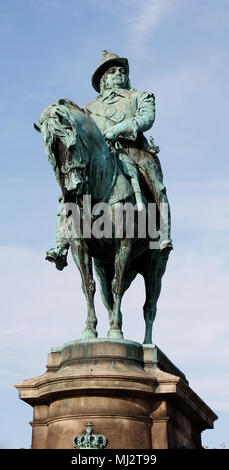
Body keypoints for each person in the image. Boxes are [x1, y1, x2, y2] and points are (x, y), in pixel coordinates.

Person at [84, 50, 173, 251]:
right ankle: (63, 242)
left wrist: (117, 129)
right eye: (113, 71)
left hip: (134, 151)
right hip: (102, 158)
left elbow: (146, 119)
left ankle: (164, 233)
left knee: (157, 186)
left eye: (122, 71)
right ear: (103, 80)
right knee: (72, 189)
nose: (119, 74)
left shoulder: (139, 96)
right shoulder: (88, 109)